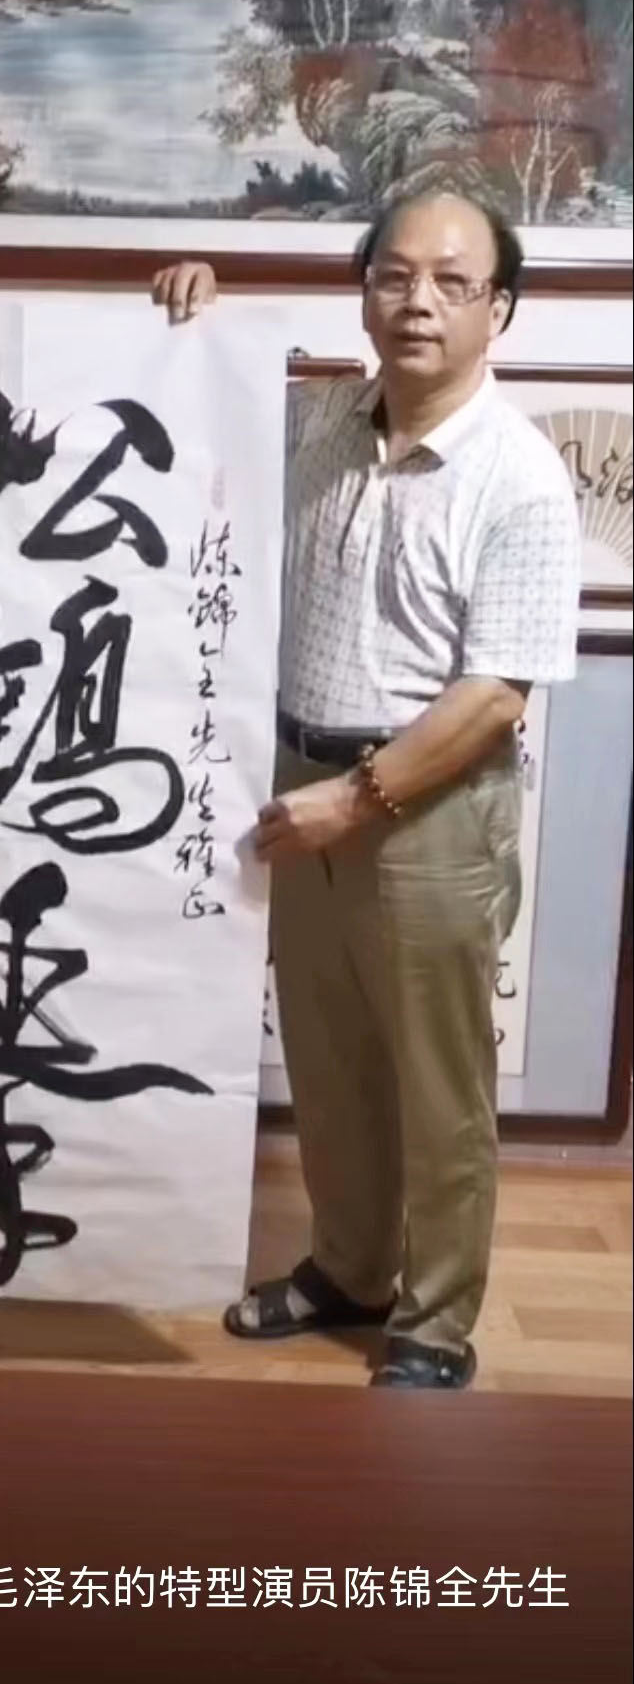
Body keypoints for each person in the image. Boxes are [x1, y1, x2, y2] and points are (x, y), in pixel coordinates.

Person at [152, 192, 580, 1389]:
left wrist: (358, 799)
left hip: (429, 805)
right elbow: (193, 400)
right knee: (329, 1060)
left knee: (439, 1085)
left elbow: (496, 693)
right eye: (394, 276)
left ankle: (435, 1322)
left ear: (498, 309)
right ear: (364, 294)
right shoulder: (317, 423)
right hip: (294, 784)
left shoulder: (519, 476)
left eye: (452, 282)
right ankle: (348, 1268)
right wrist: (192, 312)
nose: (418, 303)